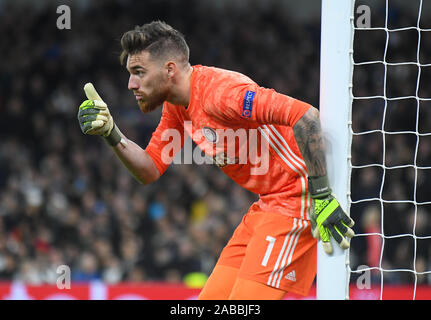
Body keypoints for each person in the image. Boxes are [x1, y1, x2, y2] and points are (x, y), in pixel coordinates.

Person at [77, 21, 355, 300]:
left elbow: (305, 116)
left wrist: (321, 196)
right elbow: (149, 169)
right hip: (267, 203)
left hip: (296, 199)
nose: (131, 84)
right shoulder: (176, 106)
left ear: (170, 69)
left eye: (139, 72)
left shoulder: (222, 93)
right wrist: (111, 132)